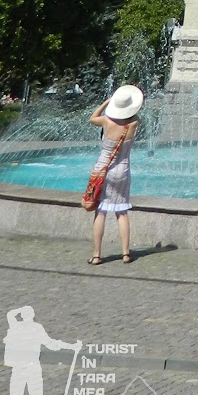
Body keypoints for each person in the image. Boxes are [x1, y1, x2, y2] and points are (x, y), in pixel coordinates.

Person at [4, 307, 80, 395]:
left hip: (18, 368)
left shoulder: (16, 325)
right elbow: (52, 344)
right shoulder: (36, 328)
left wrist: (20, 309)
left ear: (22, 316)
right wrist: (72, 346)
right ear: (32, 315)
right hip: (33, 368)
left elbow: (10, 314)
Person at [87, 84, 143, 264]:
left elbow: (92, 118)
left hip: (103, 169)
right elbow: (134, 114)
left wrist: (106, 102)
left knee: (101, 212)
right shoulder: (134, 123)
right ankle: (126, 254)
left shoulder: (106, 121)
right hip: (123, 170)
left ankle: (96, 255)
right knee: (122, 212)